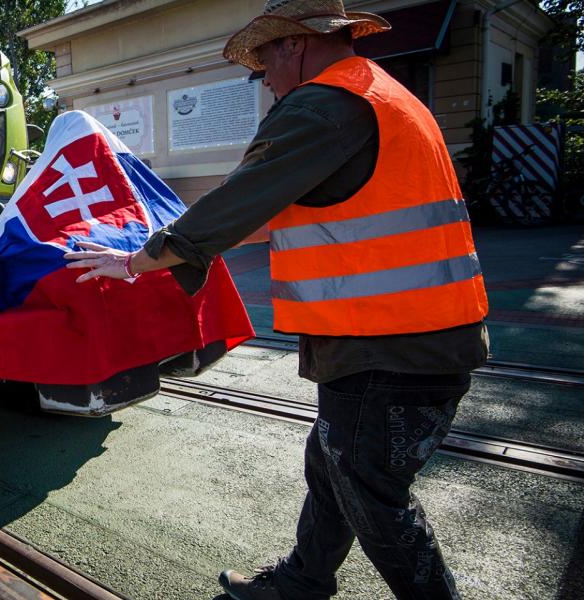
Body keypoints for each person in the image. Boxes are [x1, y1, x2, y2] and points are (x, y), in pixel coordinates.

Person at [65, 1, 489, 599]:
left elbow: (238, 201)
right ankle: (306, 580)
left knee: (369, 492)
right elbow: (279, 213)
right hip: (410, 334)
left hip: (389, 343)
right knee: (334, 466)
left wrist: (135, 262)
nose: (262, 76)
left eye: (264, 59)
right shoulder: (381, 94)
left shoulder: (322, 107)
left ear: (294, 44)